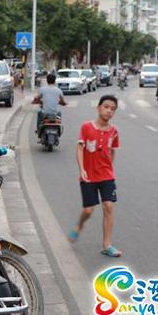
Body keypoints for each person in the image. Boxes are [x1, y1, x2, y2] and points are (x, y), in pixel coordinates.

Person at [68, 95, 121, 257]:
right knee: (89, 210)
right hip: (88, 176)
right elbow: (79, 148)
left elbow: (112, 151)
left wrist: (109, 168)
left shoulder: (114, 131)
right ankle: (79, 225)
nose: (109, 111)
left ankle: (107, 244)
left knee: (109, 206)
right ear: (98, 108)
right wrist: (82, 169)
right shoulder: (86, 127)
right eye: (106, 107)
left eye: (113, 109)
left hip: (106, 175)